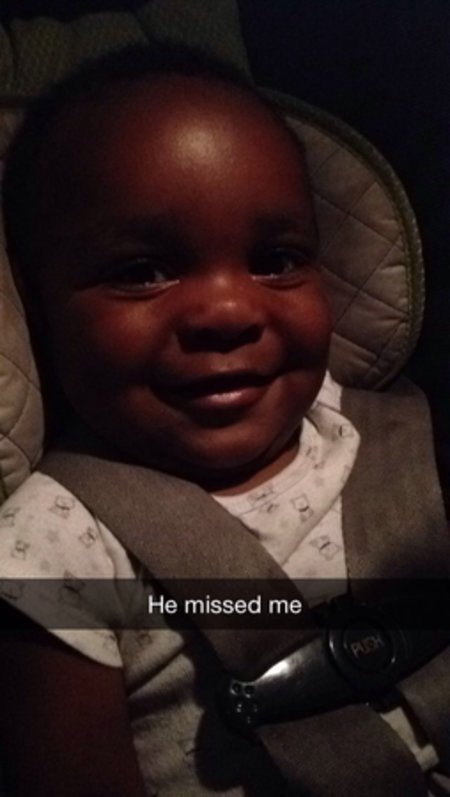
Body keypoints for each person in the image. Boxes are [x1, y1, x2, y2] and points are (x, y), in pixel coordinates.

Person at [0, 44, 446, 796]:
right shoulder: (48, 553)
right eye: (142, 271)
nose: (229, 311)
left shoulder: (407, 438)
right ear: (38, 306)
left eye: (276, 260)